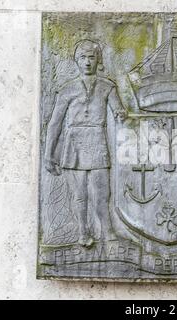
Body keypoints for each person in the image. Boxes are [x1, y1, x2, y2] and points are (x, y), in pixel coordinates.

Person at [44, 39, 126, 247]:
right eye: (83, 57)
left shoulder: (107, 87)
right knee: (80, 194)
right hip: (74, 143)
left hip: (97, 140)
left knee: (101, 192)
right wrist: (48, 154)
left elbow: (118, 110)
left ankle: (107, 230)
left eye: (91, 57)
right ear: (76, 61)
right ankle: (83, 232)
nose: (87, 62)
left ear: (98, 59)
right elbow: (55, 123)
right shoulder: (67, 90)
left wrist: (121, 114)